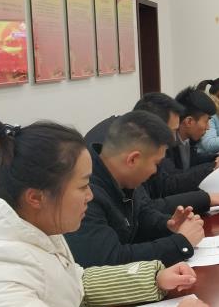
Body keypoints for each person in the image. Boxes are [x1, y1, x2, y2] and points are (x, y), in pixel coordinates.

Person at [0, 108, 213, 307]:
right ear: (36, 197)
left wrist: (153, 278)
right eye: (82, 186)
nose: (90, 196)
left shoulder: (25, 217)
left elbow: (71, 280)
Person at [66, 111, 205, 268]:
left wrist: (168, 225)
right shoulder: (86, 194)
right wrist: (180, 244)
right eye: (155, 164)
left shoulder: (124, 177)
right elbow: (110, 261)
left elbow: (142, 215)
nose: (155, 171)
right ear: (133, 159)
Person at [87, 92, 219, 215]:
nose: (174, 138)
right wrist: (205, 198)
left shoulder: (136, 136)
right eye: (172, 131)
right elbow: (158, 193)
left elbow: (147, 205)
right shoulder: (124, 147)